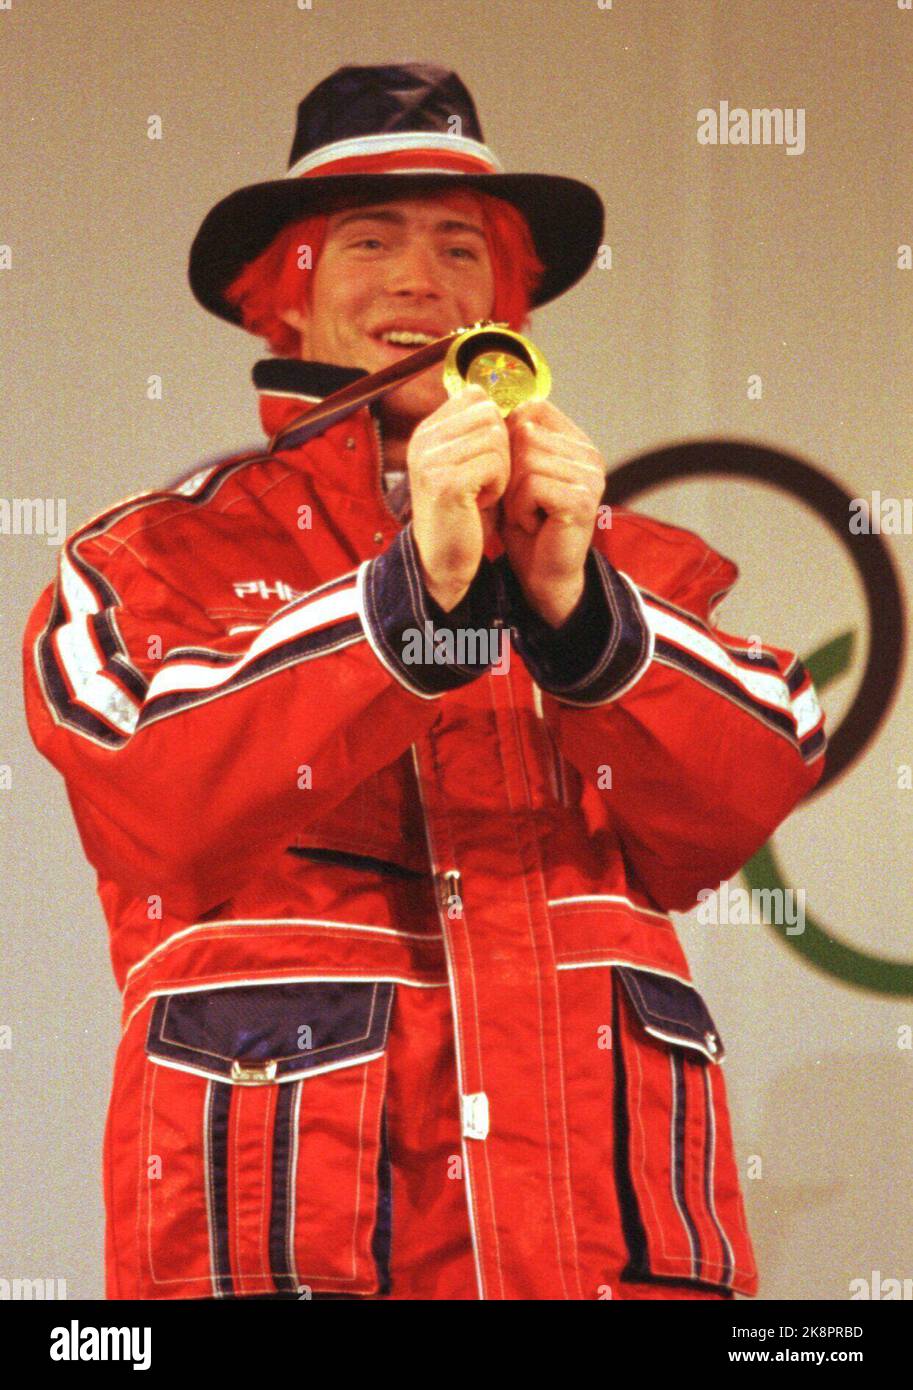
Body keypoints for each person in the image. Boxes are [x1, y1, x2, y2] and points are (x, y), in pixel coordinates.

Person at [22, 62, 826, 1302]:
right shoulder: (152, 557)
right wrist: (405, 608)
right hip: (287, 1248)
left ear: (506, 301)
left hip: (605, 1261)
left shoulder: (620, 561)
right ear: (281, 292)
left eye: (463, 247)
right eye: (369, 239)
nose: (420, 279)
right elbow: (156, 803)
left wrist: (574, 608)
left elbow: (749, 784)